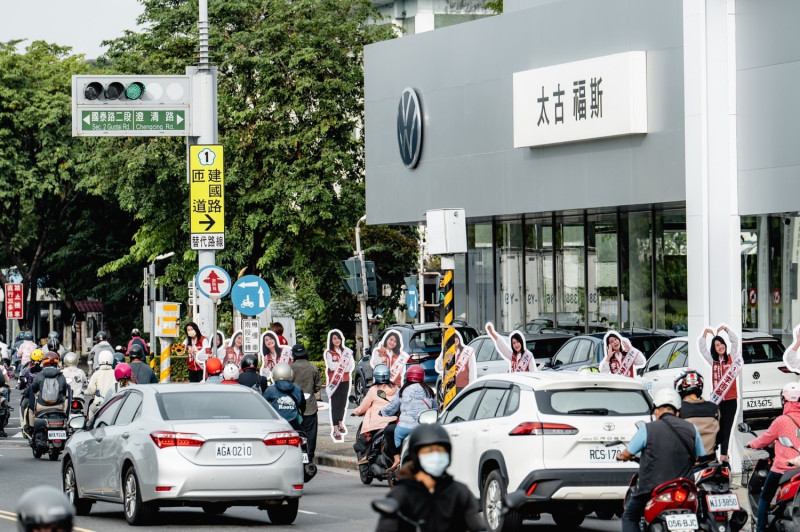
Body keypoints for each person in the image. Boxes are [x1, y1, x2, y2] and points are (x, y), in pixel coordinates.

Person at [616, 388, 705, 532]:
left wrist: (620, 456)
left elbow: (628, 453)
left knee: (629, 517)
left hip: (653, 488)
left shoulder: (647, 429)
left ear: (656, 411)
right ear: (677, 413)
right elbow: (698, 456)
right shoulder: (692, 428)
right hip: (685, 487)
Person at [375, 423, 485, 532]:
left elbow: (478, 527)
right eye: (428, 451)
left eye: (440, 450)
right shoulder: (401, 494)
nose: (435, 456)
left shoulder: (459, 492)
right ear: (416, 455)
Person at [745, 382, 800, 532]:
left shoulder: (781, 421)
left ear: (785, 400)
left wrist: (751, 444)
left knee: (764, 498)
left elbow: (765, 438)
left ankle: (761, 529)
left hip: (783, 467)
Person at [380, 364, 438, 472]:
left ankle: (396, 458)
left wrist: (382, 412)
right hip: (424, 429)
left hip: (404, 428)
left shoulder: (403, 390)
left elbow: (392, 407)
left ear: (408, 377)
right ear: (422, 376)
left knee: (388, 431)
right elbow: (435, 408)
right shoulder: (429, 391)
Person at [698, 324, 741, 462]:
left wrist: (726, 329)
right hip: (719, 401)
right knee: (718, 428)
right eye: (717, 345)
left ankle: (724, 455)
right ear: (714, 349)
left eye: (721, 343)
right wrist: (705, 333)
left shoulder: (731, 357)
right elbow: (702, 349)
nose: (720, 346)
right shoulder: (713, 361)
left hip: (732, 400)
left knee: (727, 427)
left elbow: (735, 341)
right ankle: (714, 454)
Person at [351, 364, 398, 463]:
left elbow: (364, 406)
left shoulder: (374, 390)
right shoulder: (396, 388)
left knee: (365, 438)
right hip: (395, 421)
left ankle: (367, 456)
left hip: (379, 423)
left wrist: (355, 412)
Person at [675, 369, 719, 463]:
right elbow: (720, 437)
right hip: (711, 463)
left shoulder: (678, 410)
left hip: (688, 466)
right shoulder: (715, 408)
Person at [290, 343, 321, 463]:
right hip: (310, 407)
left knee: (295, 432)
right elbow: (318, 386)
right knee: (311, 434)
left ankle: (297, 455)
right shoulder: (313, 368)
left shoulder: (290, 369)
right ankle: (310, 456)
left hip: (294, 408)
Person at [325, 329, 355, 441]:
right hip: (334, 382)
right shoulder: (329, 353)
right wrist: (341, 366)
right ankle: (335, 428)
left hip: (345, 381)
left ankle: (341, 423)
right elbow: (331, 366)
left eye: (338, 338)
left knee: (343, 403)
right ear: (331, 341)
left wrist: (340, 366)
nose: (337, 340)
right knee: (335, 404)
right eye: (334, 338)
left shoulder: (346, 352)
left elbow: (350, 366)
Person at [28, 352, 70, 429]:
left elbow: (33, 388)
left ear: (44, 362)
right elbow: (64, 391)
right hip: (58, 407)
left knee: (30, 410)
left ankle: (31, 428)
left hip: (41, 406)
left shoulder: (39, 375)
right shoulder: (61, 376)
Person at [263, 362, 306, 431]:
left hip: (276, 424)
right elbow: (302, 406)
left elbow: (263, 405)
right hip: (293, 424)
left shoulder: (270, 390)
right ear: (290, 374)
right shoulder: (298, 389)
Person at [85, 350, 116, 418]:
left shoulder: (97, 374)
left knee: (91, 409)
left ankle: (90, 426)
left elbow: (91, 390)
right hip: (113, 403)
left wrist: (85, 392)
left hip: (99, 404)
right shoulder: (115, 373)